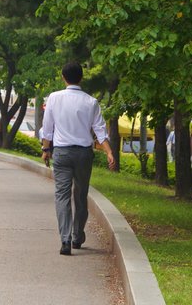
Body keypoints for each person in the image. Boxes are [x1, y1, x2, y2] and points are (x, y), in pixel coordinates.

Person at [41, 63, 116, 256]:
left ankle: (65, 239)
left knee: (62, 196)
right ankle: (76, 236)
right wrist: (109, 152)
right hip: (83, 154)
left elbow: (47, 128)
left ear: (63, 77)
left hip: (62, 153)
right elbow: (100, 130)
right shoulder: (91, 102)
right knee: (80, 195)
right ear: (81, 78)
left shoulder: (54, 98)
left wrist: (45, 149)